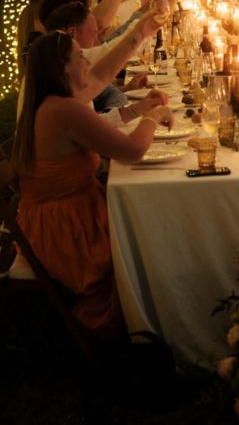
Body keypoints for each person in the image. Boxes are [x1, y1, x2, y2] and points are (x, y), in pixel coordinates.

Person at [11, 29, 174, 334]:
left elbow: (99, 128)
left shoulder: (53, 104)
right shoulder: (64, 110)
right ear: (64, 68)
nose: (86, 60)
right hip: (65, 229)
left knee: (150, 217)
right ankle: (159, 327)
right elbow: (132, 151)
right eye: (79, 56)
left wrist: (139, 109)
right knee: (153, 232)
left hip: (55, 216)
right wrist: (155, 117)